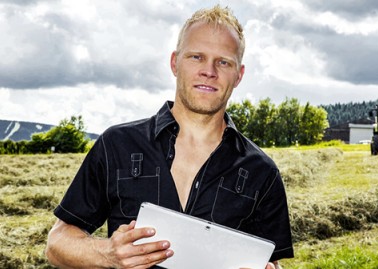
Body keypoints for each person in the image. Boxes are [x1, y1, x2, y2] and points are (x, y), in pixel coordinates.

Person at [45, 5, 294, 269]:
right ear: (175, 63)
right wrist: (108, 253)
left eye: (223, 61)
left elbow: (272, 264)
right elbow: (57, 243)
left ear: (239, 75)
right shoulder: (116, 145)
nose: (209, 71)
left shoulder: (262, 171)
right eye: (196, 57)